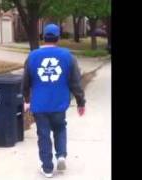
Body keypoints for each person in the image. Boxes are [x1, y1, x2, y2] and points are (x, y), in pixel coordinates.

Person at [22, 24, 86, 178]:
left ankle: (48, 168)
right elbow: (75, 82)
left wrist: (26, 100)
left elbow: (25, 82)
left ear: (43, 37)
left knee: (43, 135)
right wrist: (80, 102)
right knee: (60, 128)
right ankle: (61, 155)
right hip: (59, 103)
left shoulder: (32, 56)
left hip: (39, 104)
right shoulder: (68, 56)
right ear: (58, 38)